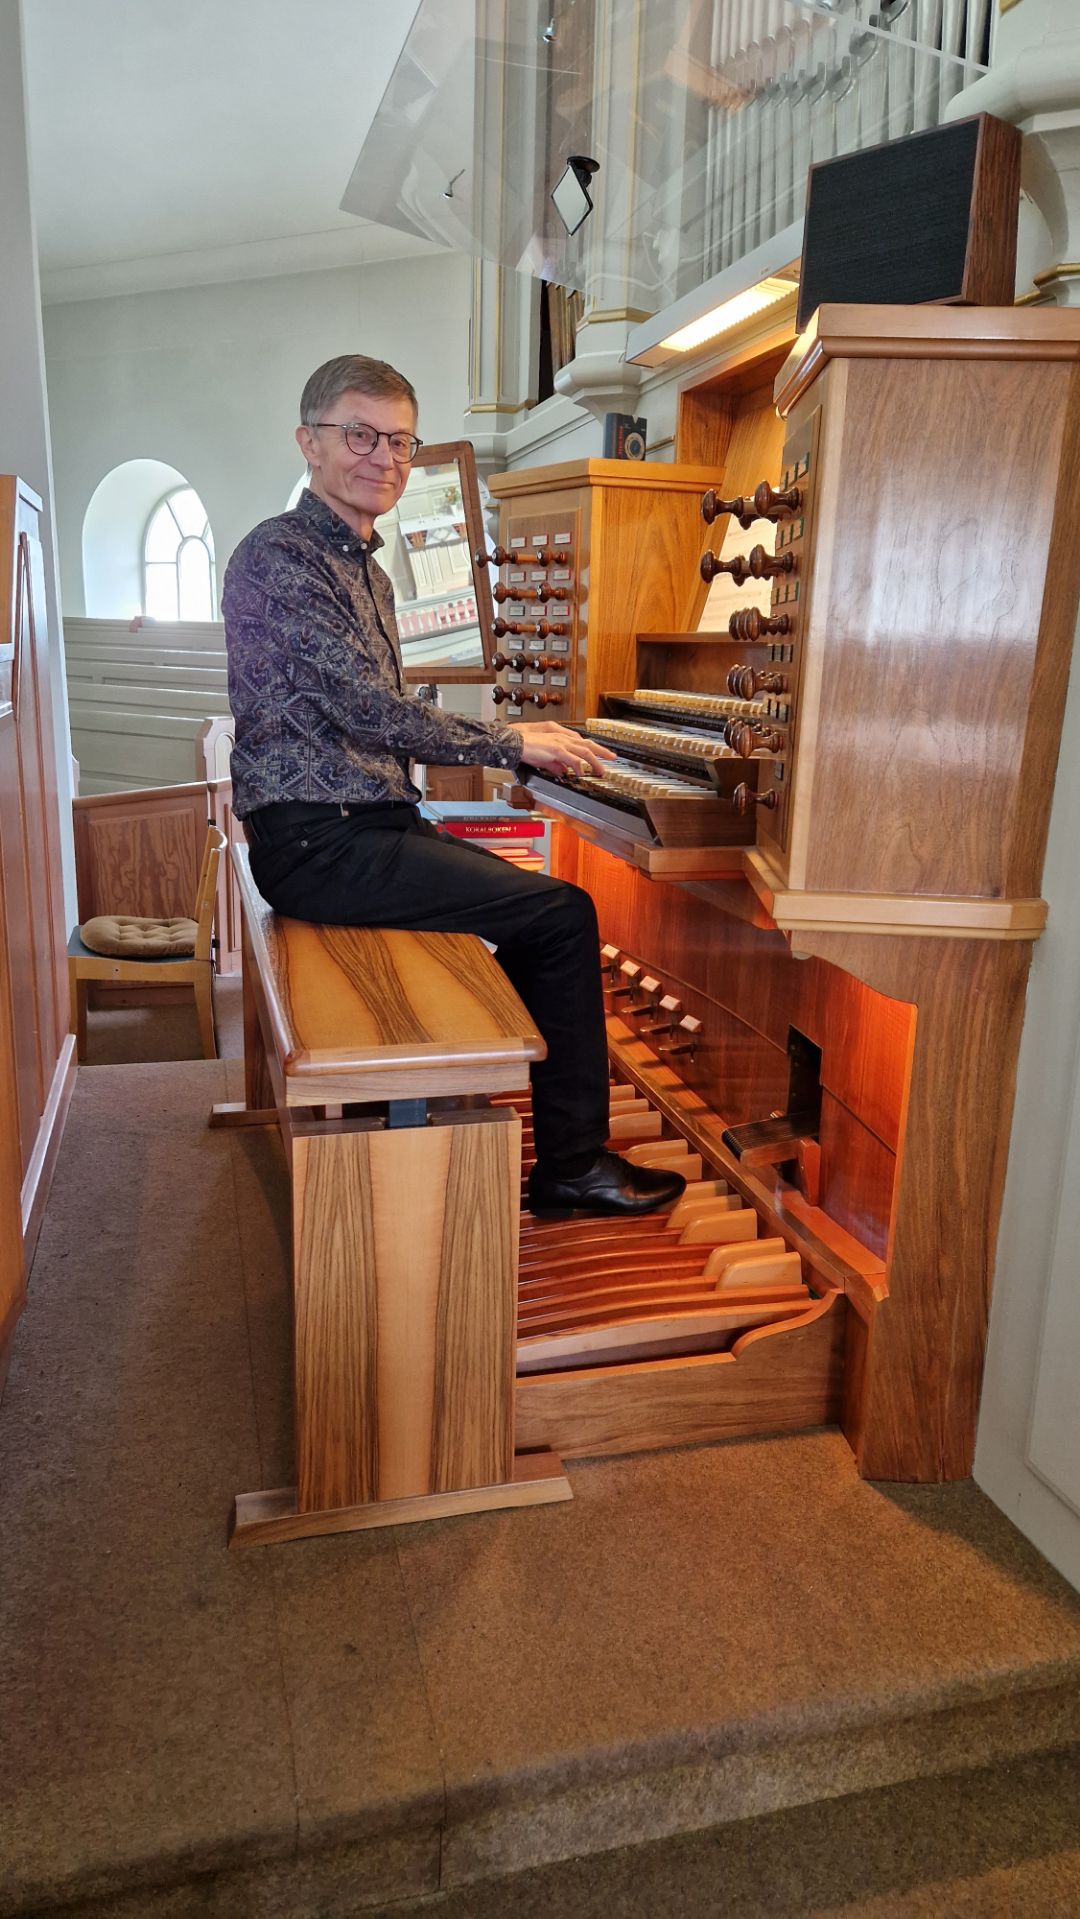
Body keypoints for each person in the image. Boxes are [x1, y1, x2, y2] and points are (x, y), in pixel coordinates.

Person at [222, 353, 685, 1218]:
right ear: (309, 443)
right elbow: (365, 710)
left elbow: (374, 710)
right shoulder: (282, 556)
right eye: (359, 434)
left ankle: (485, 1077)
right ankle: (571, 1164)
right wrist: (511, 742)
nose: (384, 457)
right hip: (319, 841)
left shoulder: (365, 564)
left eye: (400, 440)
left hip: (361, 826)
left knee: (529, 918)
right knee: (562, 916)